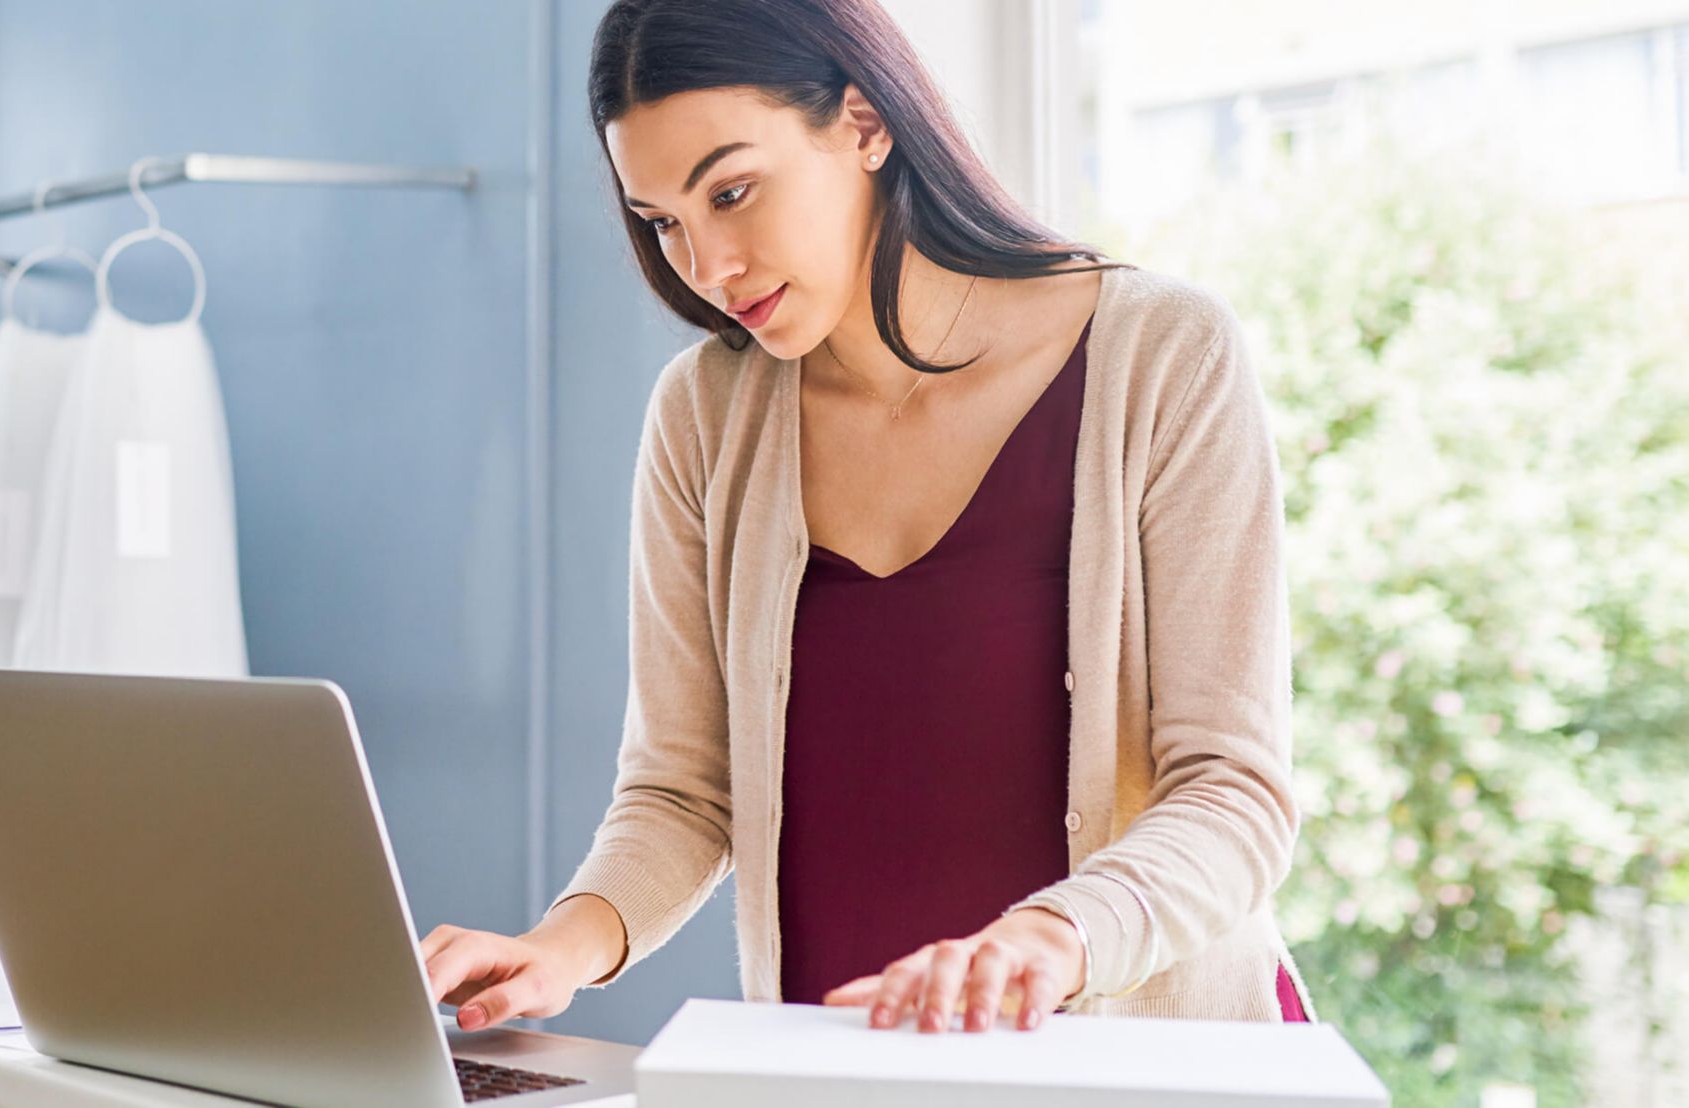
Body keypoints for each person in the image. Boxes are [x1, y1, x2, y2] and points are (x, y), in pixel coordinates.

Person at [421, 0, 1315, 1037]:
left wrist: (1052, 938)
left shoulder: (1164, 356)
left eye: (734, 191)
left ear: (863, 123)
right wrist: (556, 947)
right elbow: (682, 791)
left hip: (1141, 1062)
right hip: (842, 1067)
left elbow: (1233, 794)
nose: (706, 267)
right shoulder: (704, 417)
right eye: (664, 221)